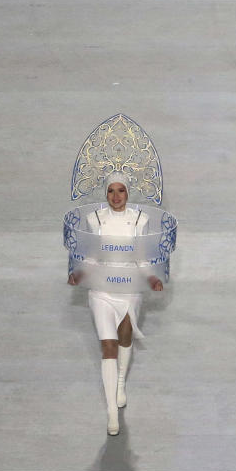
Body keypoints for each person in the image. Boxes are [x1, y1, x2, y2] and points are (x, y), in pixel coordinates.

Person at [68, 173, 163, 436]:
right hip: (101, 290)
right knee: (107, 345)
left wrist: (152, 278)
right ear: (106, 193)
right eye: (111, 191)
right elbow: (90, 257)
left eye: (121, 191)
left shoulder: (140, 221)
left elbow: (142, 259)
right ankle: (112, 412)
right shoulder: (94, 220)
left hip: (129, 288)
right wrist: (79, 274)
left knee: (125, 336)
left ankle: (121, 382)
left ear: (128, 193)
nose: (116, 196)